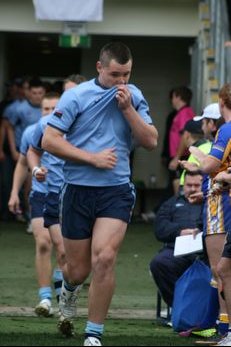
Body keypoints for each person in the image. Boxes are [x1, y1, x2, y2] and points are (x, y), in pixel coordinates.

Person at [41, 42, 158, 346]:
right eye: (115, 74)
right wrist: (91, 158)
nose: (122, 81)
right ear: (99, 67)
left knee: (105, 258)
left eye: (127, 74)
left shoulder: (134, 96)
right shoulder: (76, 96)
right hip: (77, 190)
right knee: (78, 271)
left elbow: (150, 141)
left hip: (116, 191)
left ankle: (94, 334)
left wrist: (128, 109)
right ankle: (68, 289)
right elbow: (50, 140)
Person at [179, 84, 231, 346]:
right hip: (217, 199)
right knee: (222, 269)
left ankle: (224, 329)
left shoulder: (226, 131)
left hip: (222, 206)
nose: (205, 125)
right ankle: (221, 327)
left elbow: (211, 166)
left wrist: (193, 155)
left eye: (206, 120)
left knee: (222, 269)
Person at [8, 92, 61, 317]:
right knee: (42, 243)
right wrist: (14, 193)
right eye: (45, 109)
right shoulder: (32, 131)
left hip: (67, 196)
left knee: (65, 250)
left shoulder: (72, 132)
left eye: (53, 109)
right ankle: (45, 299)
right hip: (41, 194)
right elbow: (22, 163)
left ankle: (63, 294)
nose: (48, 113)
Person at [149, 170, 204, 309]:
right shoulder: (171, 204)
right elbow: (159, 229)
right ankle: (180, 307)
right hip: (176, 250)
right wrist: (180, 231)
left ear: (204, 185)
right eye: (189, 185)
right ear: (182, 185)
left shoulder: (212, 203)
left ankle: (212, 311)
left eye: (197, 185)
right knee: (159, 263)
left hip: (206, 252)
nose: (192, 189)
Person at [168, 86, 195, 195]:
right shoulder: (181, 113)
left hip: (182, 157)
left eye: (173, 97)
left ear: (178, 97)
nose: (172, 100)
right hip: (179, 157)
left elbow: (185, 135)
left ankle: (179, 209)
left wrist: (177, 158)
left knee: (178, 184)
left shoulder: (185, 113)